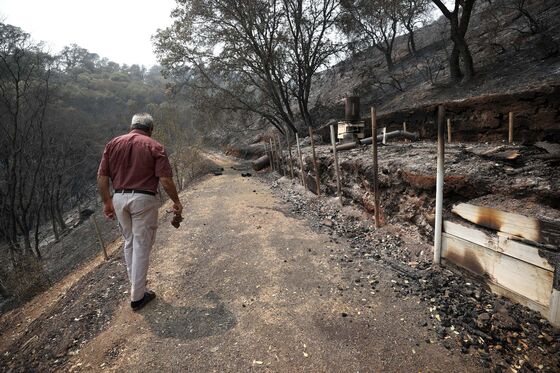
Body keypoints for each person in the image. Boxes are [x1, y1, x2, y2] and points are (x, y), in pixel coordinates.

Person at [97, 113, 182, 311]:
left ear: (132, 126)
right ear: (150, 129)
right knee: (142, 245)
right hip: (143, 199)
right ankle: (137, 297)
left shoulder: (112, 144)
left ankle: (137, 286)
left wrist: (107, 202)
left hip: (119, 198)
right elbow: (165, 179)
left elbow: (102, 176)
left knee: (129, 243)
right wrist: (176, 201)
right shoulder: (154, 146)